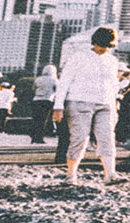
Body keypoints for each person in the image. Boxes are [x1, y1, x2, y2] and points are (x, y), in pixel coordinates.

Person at [52, 27, 124, 186]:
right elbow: (64, 81)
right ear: (95, 42)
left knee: (107, 138)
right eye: (101, 45)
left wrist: (114, 107)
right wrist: (58, 106)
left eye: (108, 46)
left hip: (105, 103)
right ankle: (71, 175)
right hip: (79, 101)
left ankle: (110, 174)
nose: (104, 49)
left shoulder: (112, 61)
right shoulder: (79, 56)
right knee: (79, 138)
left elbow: (113, 85)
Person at [30, 64, 58, 143]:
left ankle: (33, 137)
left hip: (36, 100)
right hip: (47, 100)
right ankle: (39, 138)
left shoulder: (38, 79)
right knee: (43, 120)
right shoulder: (54, 80)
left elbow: (33, 89)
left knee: (35, 119)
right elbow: (57, 90)